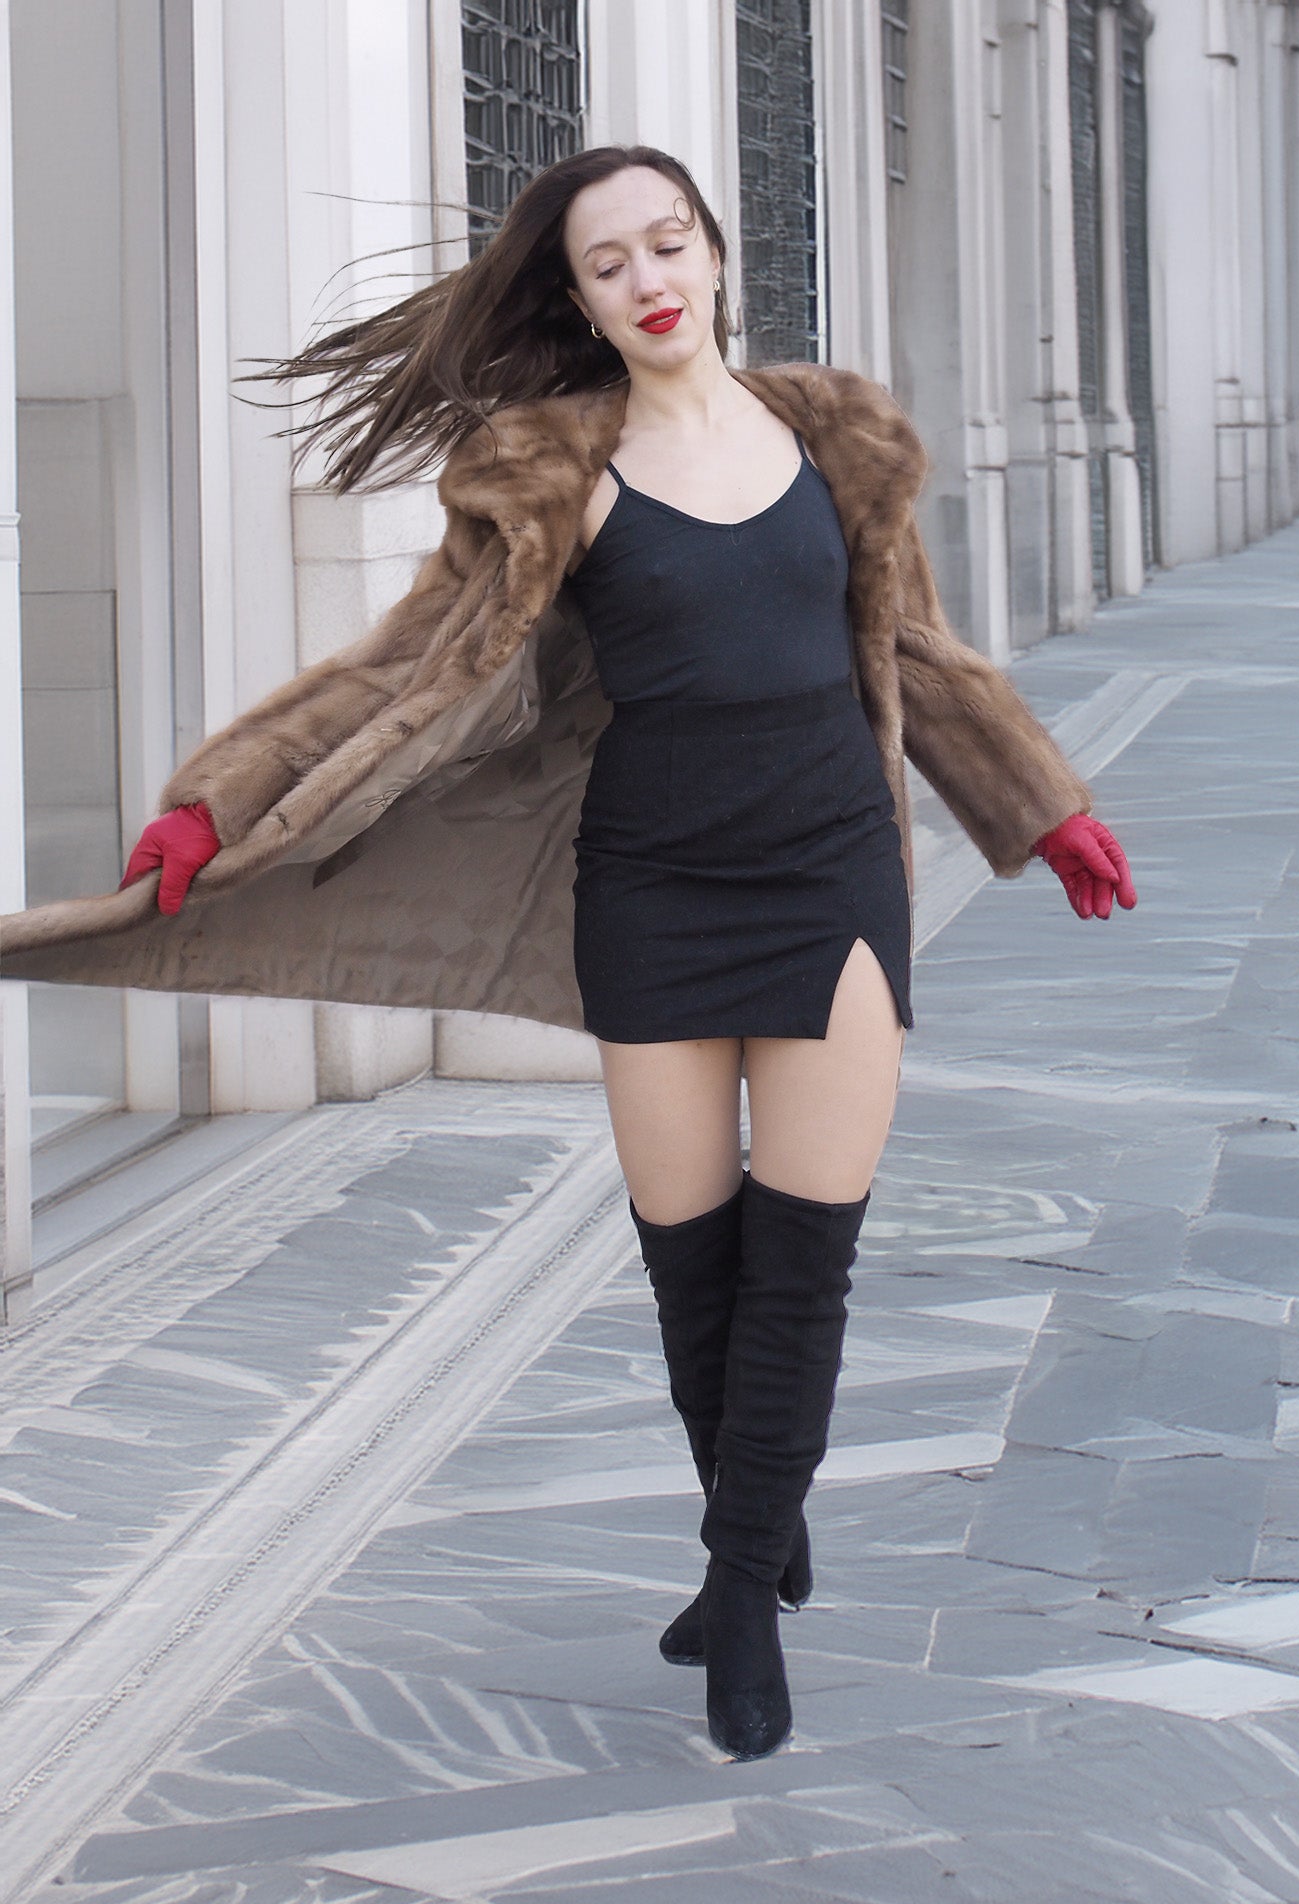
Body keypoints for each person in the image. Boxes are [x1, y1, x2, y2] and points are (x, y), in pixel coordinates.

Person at [2, 145, 1134, 1762]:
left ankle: (739, 1594)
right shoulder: (552, 469)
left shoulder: (840, 437)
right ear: (581, 299)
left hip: (829, 879)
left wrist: (1042, 808)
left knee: (804, 1262)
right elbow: (401, 664)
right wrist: (222, 796)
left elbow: (914, 645)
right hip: (654, 890)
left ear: (716, 253)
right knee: (696, 1265)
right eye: (610, 264)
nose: (648, 280)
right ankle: (754, 1524)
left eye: (668, 244)